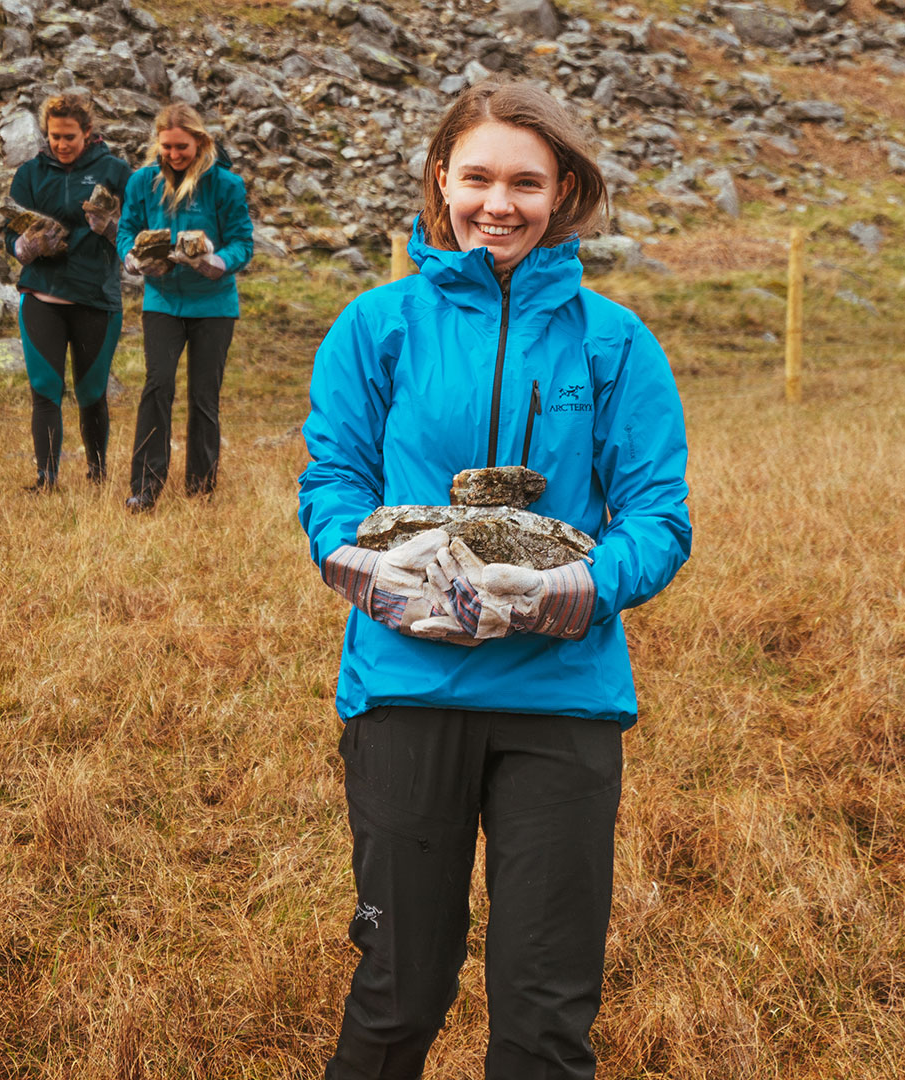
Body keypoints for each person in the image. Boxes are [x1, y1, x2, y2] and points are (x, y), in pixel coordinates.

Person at [296, 81, 693, 1080]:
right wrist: (360, 563)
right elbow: (333, 479)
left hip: (561, 702)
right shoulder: (374, 326)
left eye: (526, 181)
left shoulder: (617, 344)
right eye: (477, 177)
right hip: (404, 693)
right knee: (397, 994)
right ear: (442, 179)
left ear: (562, 191)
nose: (498, 204)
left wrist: (584, 589)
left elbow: (658, 517)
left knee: (545, 1016)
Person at [116, 104, 254, 512]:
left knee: (203, 396)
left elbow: (243, 242)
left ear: (200, 142)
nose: (174, 155)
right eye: (167, 148)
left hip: (213, 304)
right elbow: (127, 229)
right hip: (162, 299)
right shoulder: (142, 181)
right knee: (157, 386)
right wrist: (131, 258)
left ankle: (201, 485)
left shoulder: (225, 185)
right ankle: (145, 485)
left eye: (182, 147)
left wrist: (218, 260)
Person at [2, 93, 133, 491]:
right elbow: (9, 232)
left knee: (91, 392)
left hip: (96, 297)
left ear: (88, 133)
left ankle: (97, 474)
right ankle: (46, 478)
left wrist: (110, 228)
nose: (60, 144)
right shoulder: (30, 173)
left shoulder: (116, 171)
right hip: (41, 295)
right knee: (45, 389)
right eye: (54, 136)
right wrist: (25, 247)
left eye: (69, 137)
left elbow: (136, 235)